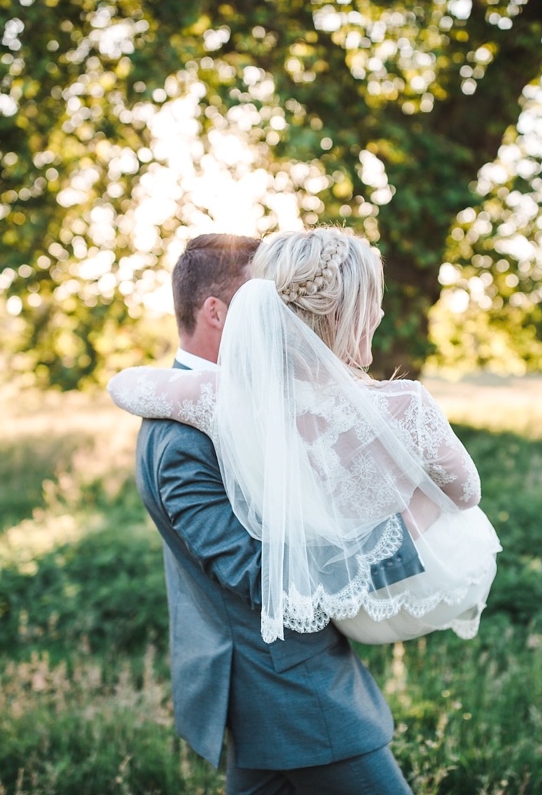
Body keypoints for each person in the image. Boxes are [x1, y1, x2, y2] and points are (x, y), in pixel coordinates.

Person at [111, 228, 501, 648]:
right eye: (373, 303)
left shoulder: (229, 399)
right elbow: (467, 492)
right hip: (419, 584)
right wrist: (408, 503)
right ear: (339, 314)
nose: (381, 316)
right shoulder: (406, 405)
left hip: (352, 613)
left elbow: (124, 385)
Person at [125, 232, 414, 794]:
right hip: (295, 695)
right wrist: (405, 535)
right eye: (266, 303)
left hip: (275, 694)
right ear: (216, 312)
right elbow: (257, 575)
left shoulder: (232, 404)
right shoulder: (182, 438)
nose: (282, 320)